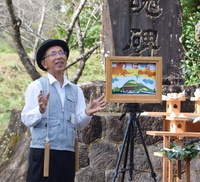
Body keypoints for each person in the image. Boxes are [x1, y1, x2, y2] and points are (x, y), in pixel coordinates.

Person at [21, 39, 106, 182]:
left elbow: (77, 123)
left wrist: (87, 113)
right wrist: (40, 110)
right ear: (44, 63)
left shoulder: (75, 90)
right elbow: (26, 119)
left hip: (67, 153)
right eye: (53, 54)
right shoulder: (37, 86)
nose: (59, 56)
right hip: (44, 152)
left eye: (61, 53)